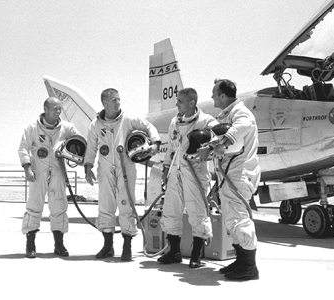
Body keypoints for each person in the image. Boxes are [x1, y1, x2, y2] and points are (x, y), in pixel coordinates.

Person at [84, 88, 160, 261]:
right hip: (105, 169)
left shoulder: (128, 119)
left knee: (126, 205)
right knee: (105, 206)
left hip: (125, 167)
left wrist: (154, 143)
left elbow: (148, 126)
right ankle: (108, 245)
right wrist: (87, 167)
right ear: (104, 103)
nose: (118, 102)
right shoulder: (95, 125)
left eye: (119, 99)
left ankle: (127, 246)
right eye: (114, 100)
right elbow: (91, 147)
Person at [197, 79, 261, 281]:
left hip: (239, 174)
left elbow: (244, 125)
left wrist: (222, 143)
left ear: (223, 96)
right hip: (229, 174)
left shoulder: (241, 113)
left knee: (239, 220)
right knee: (231, 219)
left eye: (214, 94)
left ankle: (250, 267)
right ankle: (241, 261)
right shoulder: (227, 114)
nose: (212, 97)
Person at [158, 88, 218, 268]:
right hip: (176, 170)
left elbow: (219, 136)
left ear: (192, 102)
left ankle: (195, 256)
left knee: (197, 211)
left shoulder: (206, 121)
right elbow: (170, 148)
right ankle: (174, 251)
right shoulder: (175, 122)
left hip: (196, 171)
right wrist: (165, 169)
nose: (177, 105)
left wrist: (207, 141)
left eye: (180, 102)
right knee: (171, 209)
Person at [18, 97, 82, 258]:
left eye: (60, 108)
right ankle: (30, 244)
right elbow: (23, 148)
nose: (58, 111)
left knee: (59, 206)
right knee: (34, 206)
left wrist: (76, 154)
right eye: (55, 109)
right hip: (38, 172)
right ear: (45, 109)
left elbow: (80, 143)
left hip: (58, 171)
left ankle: (59, 244)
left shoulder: (67, 128)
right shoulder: (32, 128)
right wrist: (27, 168)